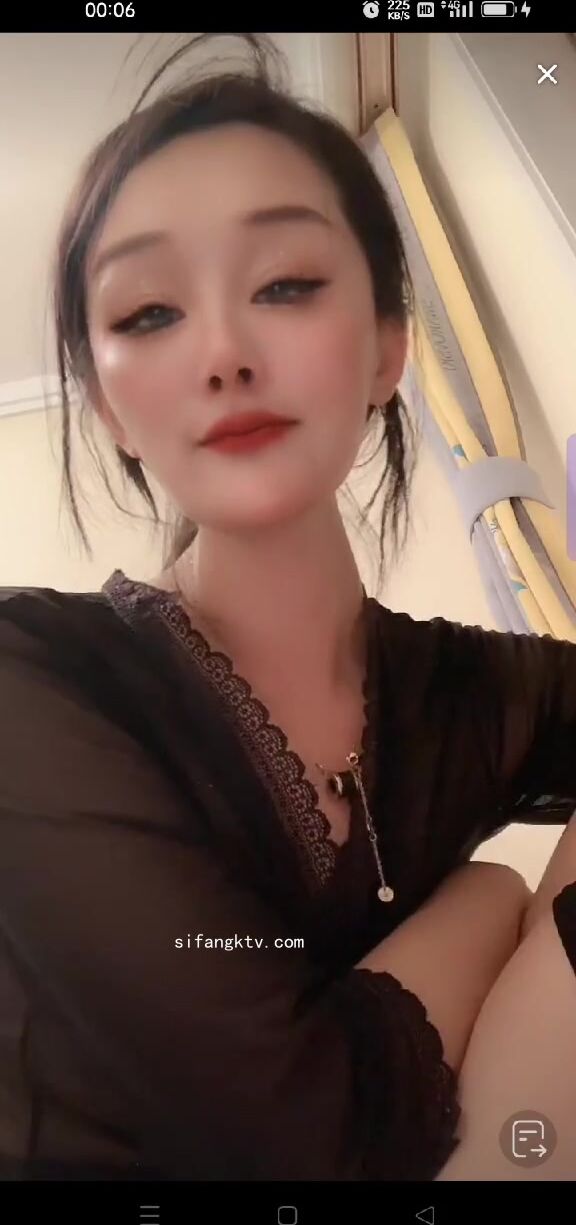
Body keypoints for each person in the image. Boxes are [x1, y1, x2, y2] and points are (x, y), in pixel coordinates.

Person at [1, 32, 575, 1182]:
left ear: (388, 350)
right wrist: (478, 912)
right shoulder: (34, 679)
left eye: (286, 285)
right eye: (148, 312)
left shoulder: (466, 694)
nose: (223, 352)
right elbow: (290, 1139)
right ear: (110, 407)